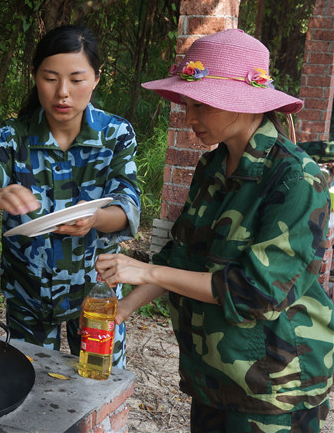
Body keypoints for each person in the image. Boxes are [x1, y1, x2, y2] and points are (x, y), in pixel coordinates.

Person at [96, 29, 334, 432]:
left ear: (244, 103)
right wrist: (121, 309)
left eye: (202, 105)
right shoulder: (212, 167)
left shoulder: (297, 181)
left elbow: (255, 293)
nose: (190, 117)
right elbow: (181, 256)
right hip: (214, 376)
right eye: (188, 104)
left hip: (274, 386)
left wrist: (147, 271)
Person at [0, 25, 140, 367]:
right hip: (30, 294)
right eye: (50, 78)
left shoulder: (115, 134)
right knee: (32, 388)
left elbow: (126, 204)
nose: (63, 93)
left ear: (97, 78)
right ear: (34, 76)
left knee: (100, 384)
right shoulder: (13, 137)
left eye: (76, 79)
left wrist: (95, 219)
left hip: (96, 292)